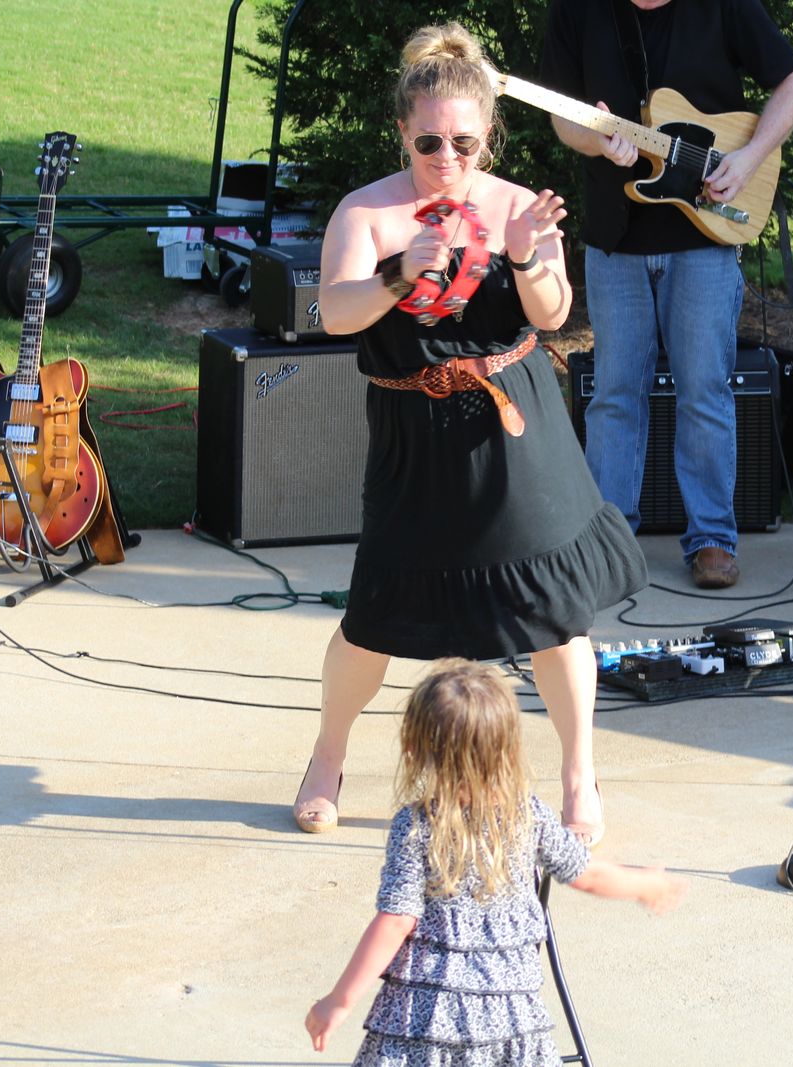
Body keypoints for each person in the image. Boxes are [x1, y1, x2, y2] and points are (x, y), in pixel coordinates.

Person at [293, 23, 647, 846]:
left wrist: (525, 258)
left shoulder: (519, 206)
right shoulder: (367, 211)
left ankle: (579, 775)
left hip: (516, 422)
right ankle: (326, 758)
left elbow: (553, 313)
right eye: (428, 142)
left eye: (464, 142)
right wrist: (401, 270)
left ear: (488, 135)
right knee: (375, 613)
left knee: (556, 607)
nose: (446, 157)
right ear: (402, 133)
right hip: (413, 430)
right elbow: (336, 313)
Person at [540, 0, 793, 589]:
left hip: (706, 237)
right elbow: (564, 117)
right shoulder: (577, 11)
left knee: (705, 391)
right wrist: (598, 141)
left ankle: (713, 539)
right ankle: (609, 546)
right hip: (616, 235)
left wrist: (749, 157)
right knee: (614, 395)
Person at [304, 659, 687, 1062]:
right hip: (510, 1017)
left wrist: (339, 1001)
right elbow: (587, 874)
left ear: (414, 749)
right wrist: (645, 885)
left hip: (424, 1019)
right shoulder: (528, 815)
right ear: (507, 750)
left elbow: (397, 920)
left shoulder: (416, 826)